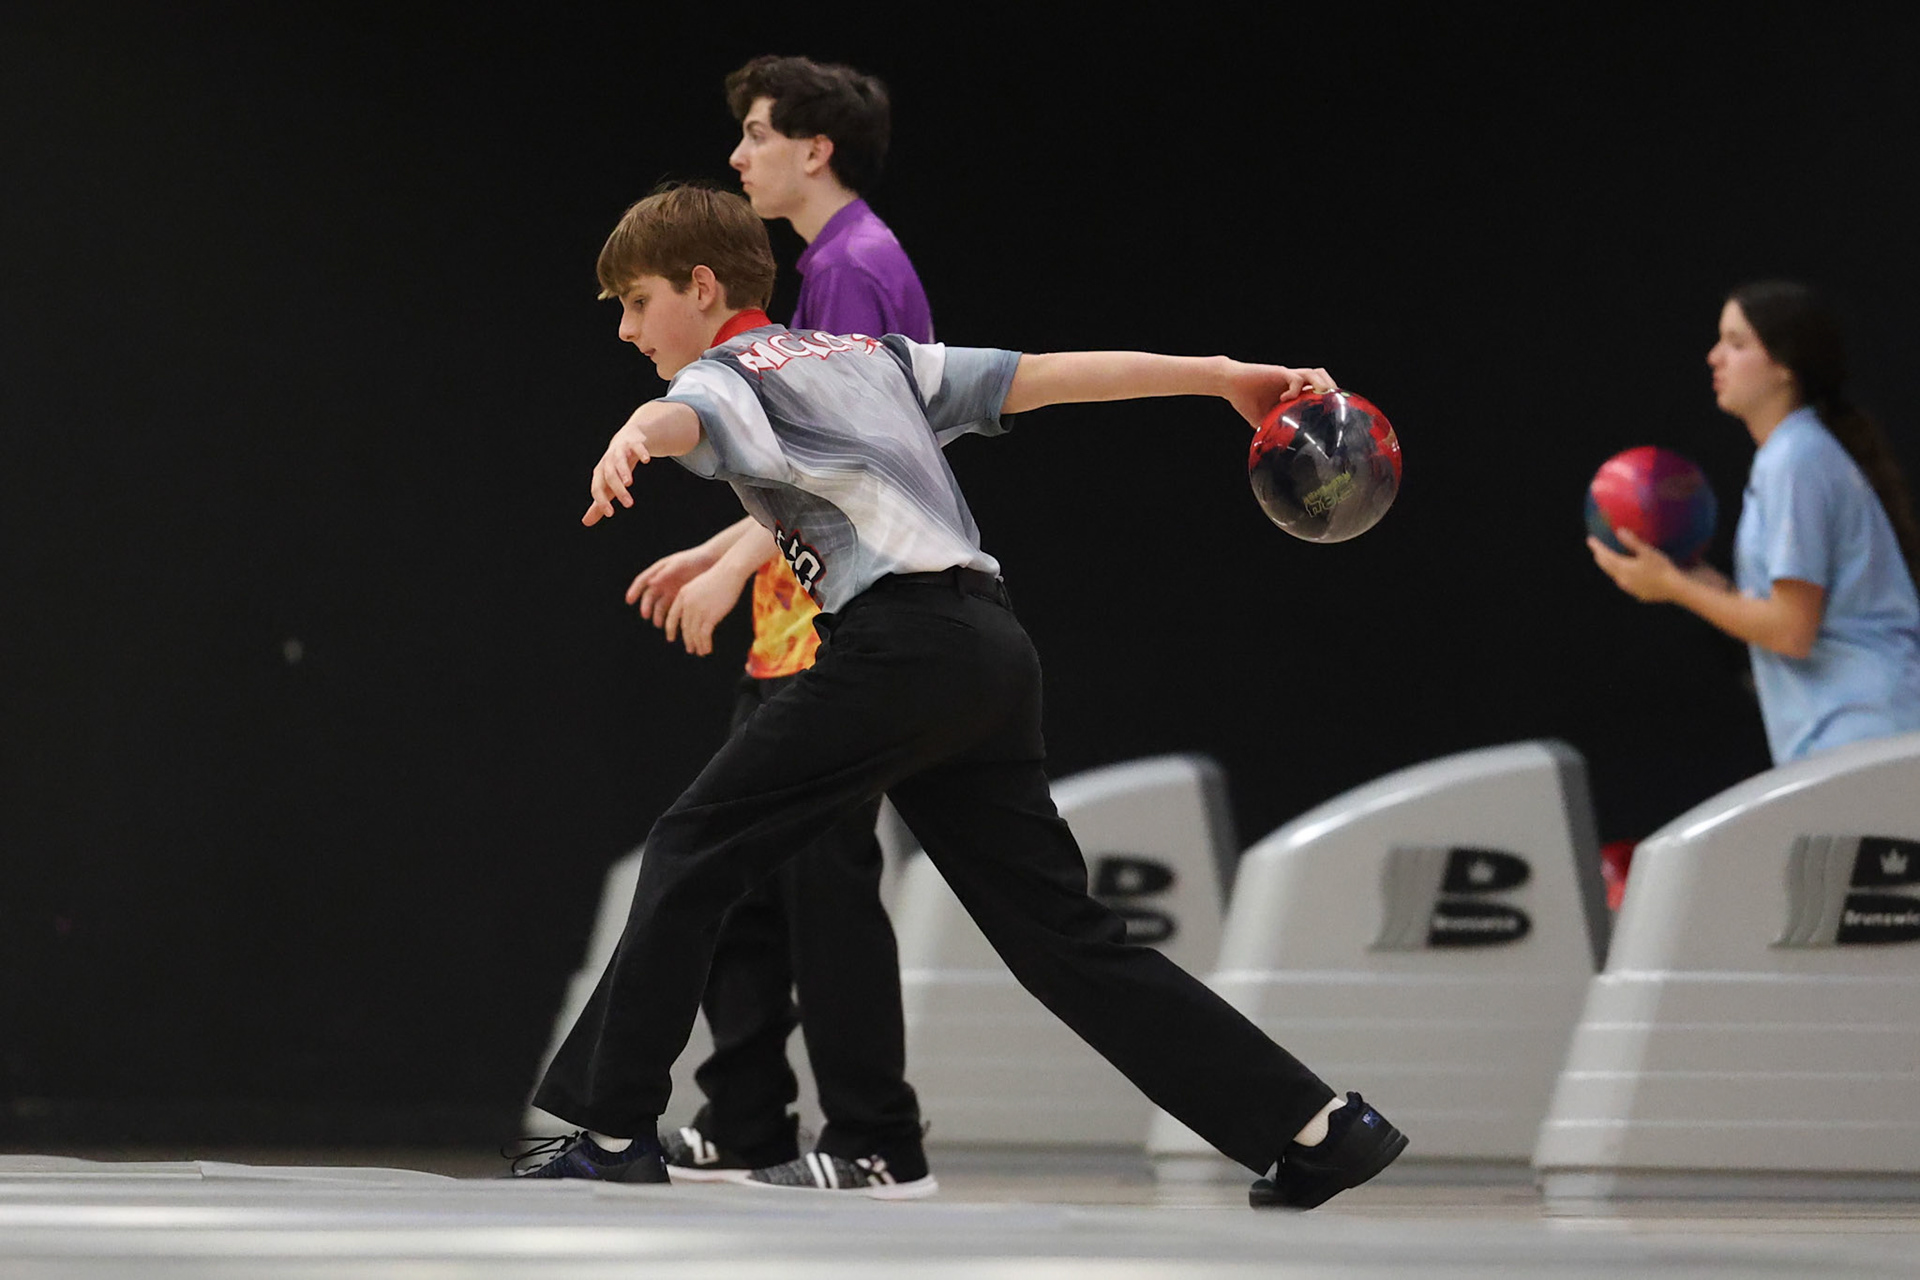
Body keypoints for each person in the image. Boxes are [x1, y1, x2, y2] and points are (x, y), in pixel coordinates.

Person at [514, 184, 1408, 1211]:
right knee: (1063, 938)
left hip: (900, 648)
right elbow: (1050, 376)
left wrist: (635, 432)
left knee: (692, 843)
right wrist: (1218, 379)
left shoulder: (729, 373)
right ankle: (1319, 1126)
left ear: (703, 286)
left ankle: (615, 1125)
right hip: (989, 646)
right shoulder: (871, 357)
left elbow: (687, 414)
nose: (629, 328)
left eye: (635, 301)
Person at [619, 56, 938, 1195]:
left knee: (821, 877)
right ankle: (750, 1112)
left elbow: (844, 461)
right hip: (792, 613)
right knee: (754, 876)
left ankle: (872, 1133)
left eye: (757, 135)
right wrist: (722, 552)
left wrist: (730, 566)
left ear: (817, 149)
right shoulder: (829, 269)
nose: (740, 155)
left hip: (835, 621)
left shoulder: (855, 267)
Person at [1589, 281, 1920, 764]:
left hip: (1865, 734)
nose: (1714, 357)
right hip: (1860, 735)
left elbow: (1790, 630)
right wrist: (1697, 582)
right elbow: (1783, 615)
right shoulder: (1793, 455)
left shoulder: (1796, 459)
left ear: (1785, 366)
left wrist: (1674, 588)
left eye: (1736, 343)